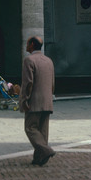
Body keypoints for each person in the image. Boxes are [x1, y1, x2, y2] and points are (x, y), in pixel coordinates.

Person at [20, 37, 57, 166]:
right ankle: (39, 158)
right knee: (42, 131)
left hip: (34, 101)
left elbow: (28, 83)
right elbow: (52, 82)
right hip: (47, 100)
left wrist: (25, 99)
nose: (26, 46)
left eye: (27, 43)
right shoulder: (49, 61)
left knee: (30, 128)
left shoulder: (29, 60)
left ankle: (46, 150)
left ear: (32, 44)